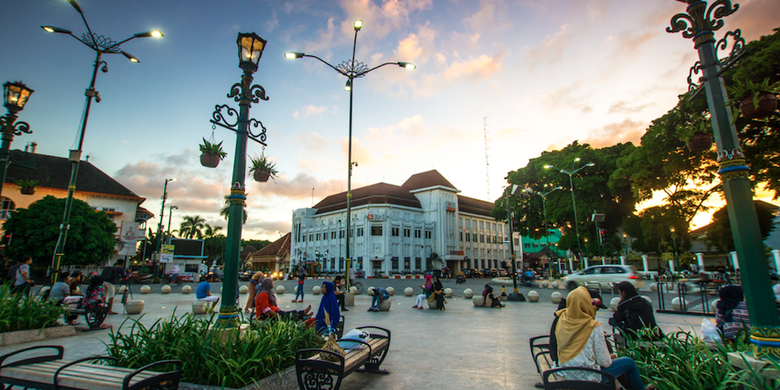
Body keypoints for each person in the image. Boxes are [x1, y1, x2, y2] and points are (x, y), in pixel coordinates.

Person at [555, 287, 653, 390]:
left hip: (567, 373)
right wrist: (611, 356)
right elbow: (605, 362)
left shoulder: (562, 320)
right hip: (589, 376)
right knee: (628, 363)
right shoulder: (592, 326)